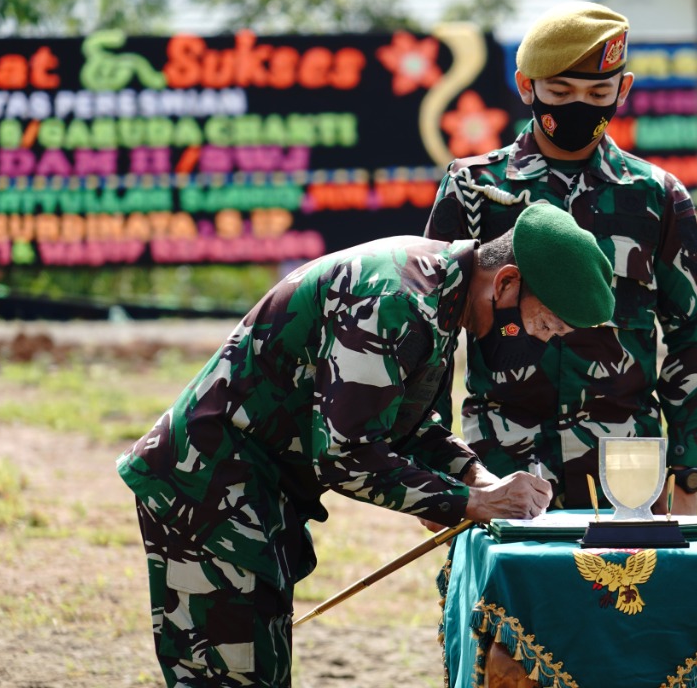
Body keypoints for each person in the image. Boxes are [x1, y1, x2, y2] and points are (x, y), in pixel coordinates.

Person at [117, 202, 614, 687]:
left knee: (260, 670)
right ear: (506, 282)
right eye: (543, 323)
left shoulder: (439, 296)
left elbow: (411, 427)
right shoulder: (395, 299)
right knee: (228, 676)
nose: (536, 339)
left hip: (250, 494)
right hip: (206, 489)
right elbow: (346, 455)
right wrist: (470, 503)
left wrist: (477, 476)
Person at [425, 2, 697, 515]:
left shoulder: (656, 196)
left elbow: (692, 333)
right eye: (560, 92)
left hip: (624, 460)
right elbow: (432, 336)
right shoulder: (474, 189)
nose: (580, 105)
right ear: (526, 86)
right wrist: (440, 475)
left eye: (599, 94)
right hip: (499, 454)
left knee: (623, 592)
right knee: (498, 596)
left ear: (622, 91)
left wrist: (686, 470)